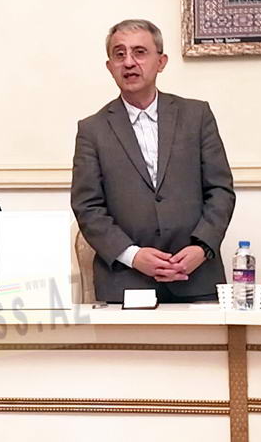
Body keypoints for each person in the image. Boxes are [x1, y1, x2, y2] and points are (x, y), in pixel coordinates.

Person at [71, 20, 236, 303]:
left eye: (139, 52)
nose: (129, 62)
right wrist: (133, 256)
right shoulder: (92, 130)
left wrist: (201, 249)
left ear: (161, 62)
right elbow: (87, 207)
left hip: (196, 278)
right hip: (126, 283)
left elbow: (220, 190)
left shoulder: (196, 116)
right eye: (119, 54)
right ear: (110, 66)